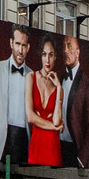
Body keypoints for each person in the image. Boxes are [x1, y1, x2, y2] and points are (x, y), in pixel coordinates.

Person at [0, 26, 32, 165]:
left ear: (28, 47)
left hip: (25, 141)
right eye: (17, 44)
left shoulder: (33, 75)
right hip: (2, 141)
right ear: (11, 43)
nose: (20, 50)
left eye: (24, 45)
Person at [58, 32, 89, 169]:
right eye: (63, 46)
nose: (65, 50)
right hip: (56, 147)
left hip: (74, 150)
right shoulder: (59, 78)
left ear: (77, 52)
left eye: (69, 46)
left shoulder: (87, 86)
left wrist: (81, 159)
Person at [27, 36, 65, 167]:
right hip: (36, 144)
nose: (47, 60)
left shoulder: (58, 88)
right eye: (44, 54)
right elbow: (30, 117)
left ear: (55, 57)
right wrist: (54, 127)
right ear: (40, 56)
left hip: (52, 146)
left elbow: (56, 120)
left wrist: (59, 88)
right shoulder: (31, 77)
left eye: (51, 55)